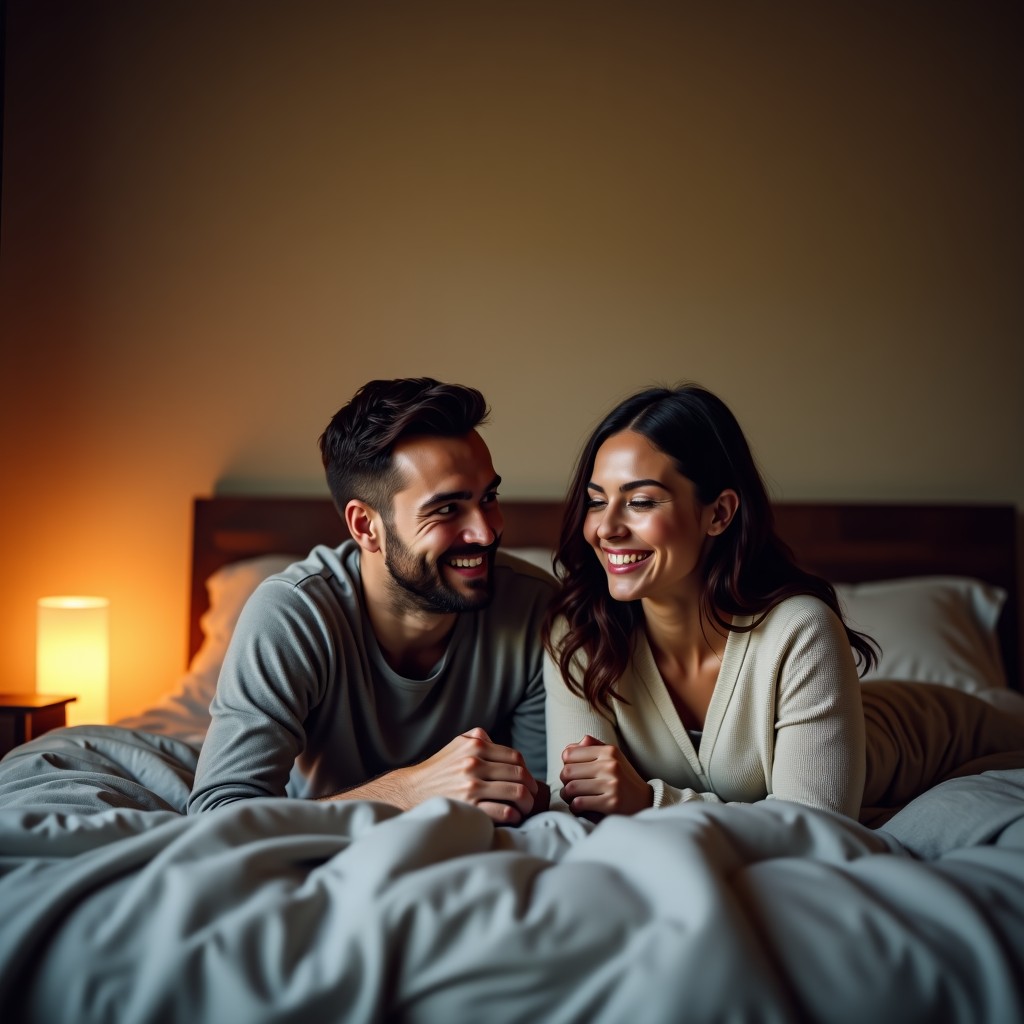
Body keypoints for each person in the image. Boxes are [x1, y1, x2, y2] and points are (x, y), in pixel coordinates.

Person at [189, 377, 552, 824]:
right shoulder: (293, 615)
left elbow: (545, 801)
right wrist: (411, 790)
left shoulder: (539, 608)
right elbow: (217, 815)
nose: (486, 531)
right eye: (446, 509)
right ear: (365, 526)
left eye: (489, 497)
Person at [542, 382, 877, 820]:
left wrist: (649, 800)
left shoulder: (800, 630)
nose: (606, 528)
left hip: (945, 737)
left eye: (640, 501)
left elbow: (819, 822)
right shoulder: (580, 634)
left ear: (718, 513)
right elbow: (577, 803)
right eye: (596, 501)